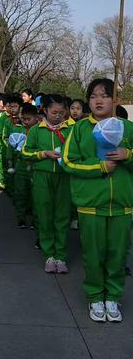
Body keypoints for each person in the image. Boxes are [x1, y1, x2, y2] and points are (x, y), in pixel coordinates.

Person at [62, 78, 133, 323]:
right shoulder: (79, 130)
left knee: (118, 254)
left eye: (104, 95)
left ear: (116, 100)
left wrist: (128, 155)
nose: (99, 100)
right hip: (91, 205)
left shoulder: (128, 128)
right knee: (93, 254)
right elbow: (69, 162)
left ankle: (113, 296)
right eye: (93, 96)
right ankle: (95, 297)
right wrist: (99, 166)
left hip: (122, 204)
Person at [22, 95, 71, 274]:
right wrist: (43, 154)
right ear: (45, 111)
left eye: (61, 112)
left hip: (64, 177)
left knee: (62, 216)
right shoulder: (36, 130)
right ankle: (49, 255)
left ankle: (61, 255)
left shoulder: (71, 129)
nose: (57, 116)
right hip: (42, 177)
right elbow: (26, 152)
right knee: (44, 215)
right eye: (53, 112)